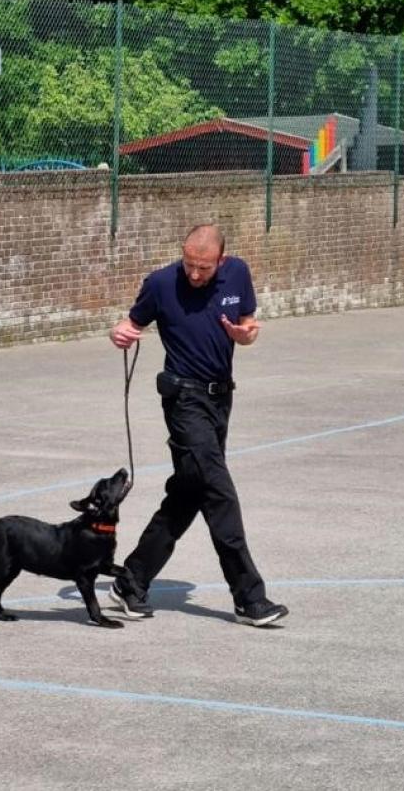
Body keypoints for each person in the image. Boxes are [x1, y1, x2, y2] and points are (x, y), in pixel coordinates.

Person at [108, 223, 288, 627]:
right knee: (220, 492)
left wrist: (245, 335)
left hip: (221, 397)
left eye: (203, 268)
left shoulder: (238, 273)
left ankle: (130, 580)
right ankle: (249, 598)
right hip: (184, 400)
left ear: (220, 260)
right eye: (189, 264)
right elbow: (130, 325)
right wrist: (120, 333)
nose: (194, 274)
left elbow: (248, 327)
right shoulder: (159, 283)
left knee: (189, 493)